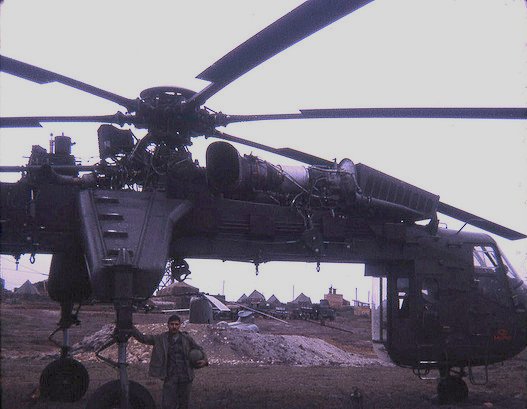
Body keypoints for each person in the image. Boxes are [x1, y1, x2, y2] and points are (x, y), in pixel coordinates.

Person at [132, 314, 208, 409]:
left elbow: (199, 348)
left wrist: (205, 360)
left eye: (176, 324)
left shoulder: (186, 338)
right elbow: (143, 338)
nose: (174, 327)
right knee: (168, 404)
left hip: (186, 376)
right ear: (168, 325)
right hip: (170, 377)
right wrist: (130, 327)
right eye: (172, 324)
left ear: (180, 325)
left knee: (184, 404)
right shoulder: (161, 339)